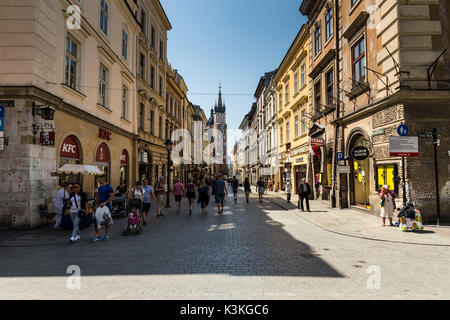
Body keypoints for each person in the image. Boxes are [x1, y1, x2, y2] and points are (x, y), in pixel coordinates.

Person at [90, 175, 114, 242]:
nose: (97, 180)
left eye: (98, 179)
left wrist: (105, 203)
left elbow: (112, 197)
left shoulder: (109, 187)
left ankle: (106, 235)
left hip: (106, 207)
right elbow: (97, 197)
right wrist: (95, 205)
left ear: (102, 179)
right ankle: (97, 235)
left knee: (106, 221)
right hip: (99, 207)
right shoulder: (99, 187)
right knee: (96, 220)